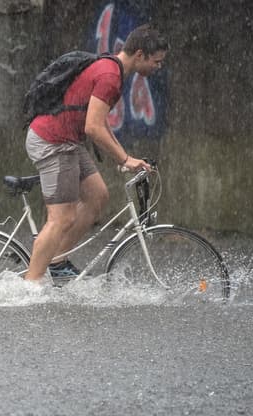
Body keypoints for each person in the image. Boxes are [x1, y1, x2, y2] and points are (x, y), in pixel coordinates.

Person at [24, 24, 169, 284]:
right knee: (62, 217)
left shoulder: (114, 70)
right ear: (139, 54)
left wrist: (125, 156)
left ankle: (57, 262)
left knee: (97, 196)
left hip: (67, 140)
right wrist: (124, 159)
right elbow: (93, 127)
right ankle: (31, 285)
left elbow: (100, 124)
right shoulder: (110, 76)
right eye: (157, 61)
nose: (159, 67)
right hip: (53, 141)